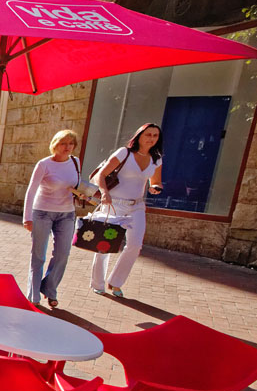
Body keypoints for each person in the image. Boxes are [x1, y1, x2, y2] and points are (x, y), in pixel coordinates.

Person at [91, 122, 164, 298]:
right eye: (148, 135)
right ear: (139, 135)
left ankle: (115, 282)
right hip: (114, 203)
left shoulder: (157, 158)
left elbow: (156, 180)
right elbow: (101, 174)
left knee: (135, 245)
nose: (151, 139)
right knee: (104, 244)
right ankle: (97, 284)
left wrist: (155, 187)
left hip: (137, 206)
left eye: (155, 136)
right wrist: (104, 193)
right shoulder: (124, 153)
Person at [22, 130, 81, 308]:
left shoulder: (75, 162)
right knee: (38, 255)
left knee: (63, 254)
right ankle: (33, 296)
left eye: (71, 143)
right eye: (64, 143)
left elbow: (76, 185)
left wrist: (83, 194)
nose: (67, 147)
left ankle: (49, 289)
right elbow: (31, 191)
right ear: (55, 144)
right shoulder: (44, 164)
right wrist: (27, 218)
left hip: (67, 214)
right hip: (42, 213)